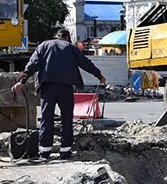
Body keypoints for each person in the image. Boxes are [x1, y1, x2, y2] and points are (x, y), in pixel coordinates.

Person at [12, 28, 105, 159]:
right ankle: (65, 151)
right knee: (66, 118)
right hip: (65, 87)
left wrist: (22, 80)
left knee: (46, 118)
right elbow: (85, 63)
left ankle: (44, 151)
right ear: (67, 37)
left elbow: (32, 63)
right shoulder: (70, 48)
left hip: (47, 86)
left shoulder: (43, 45)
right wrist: (99, 75)